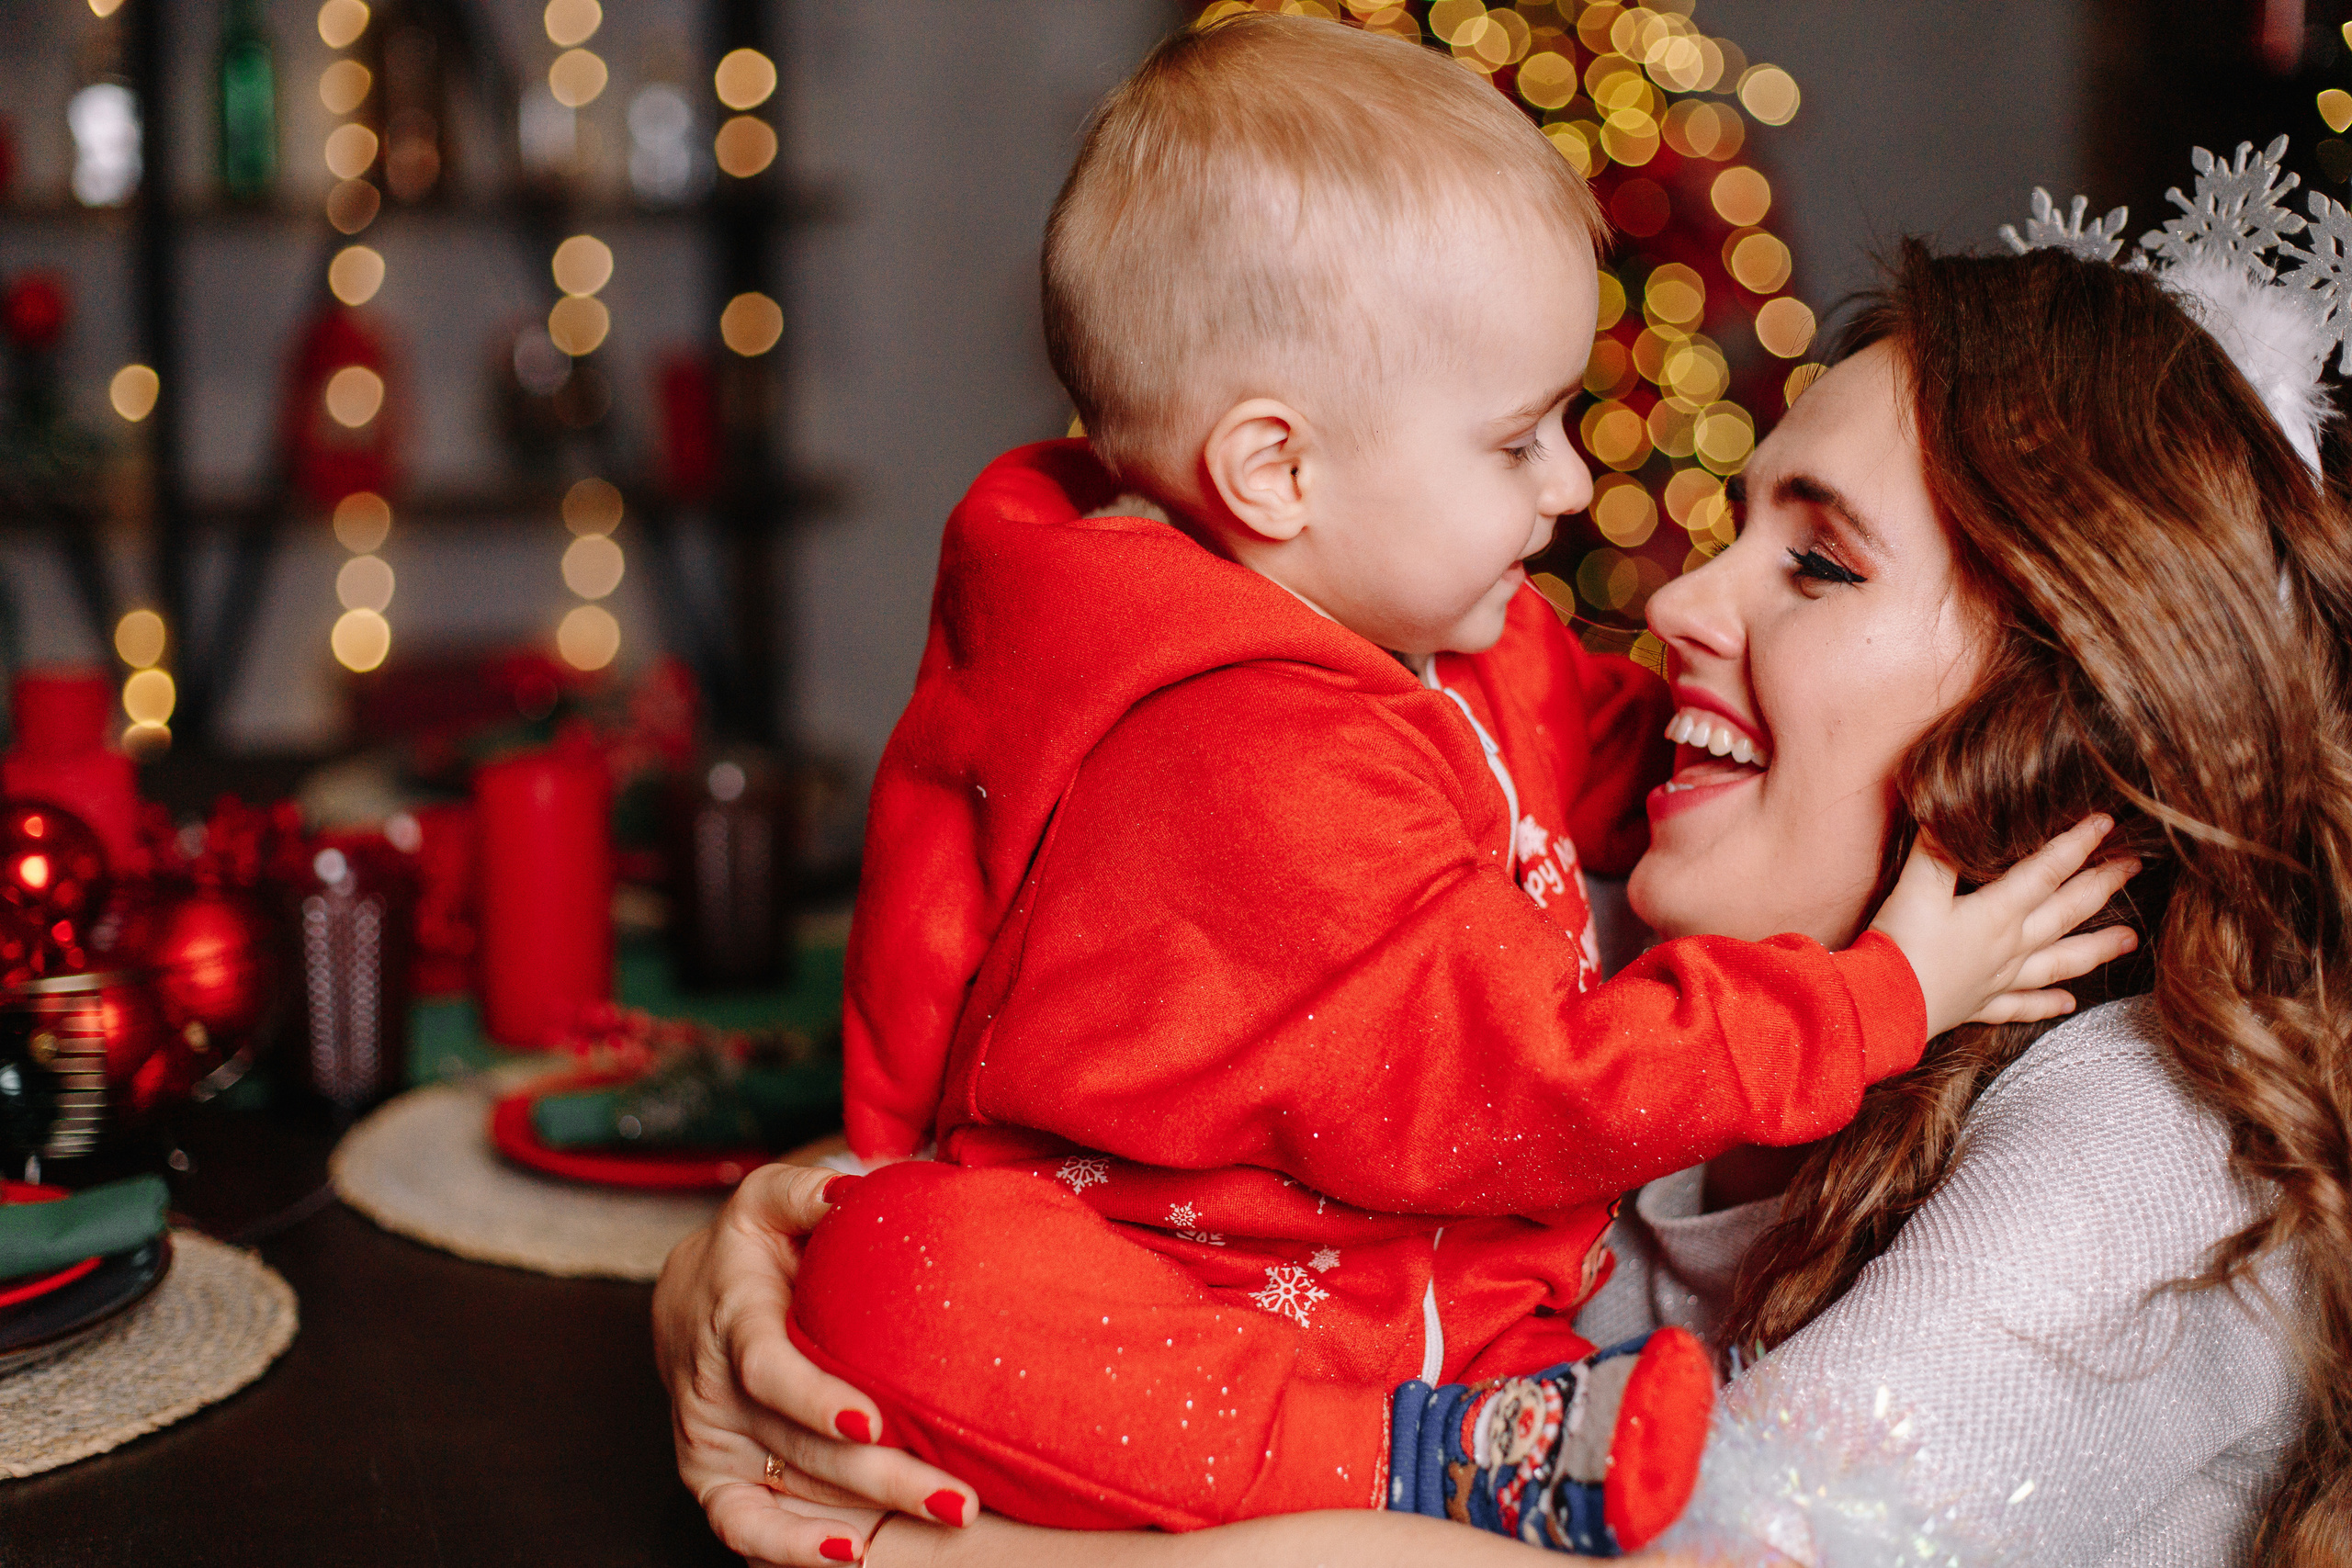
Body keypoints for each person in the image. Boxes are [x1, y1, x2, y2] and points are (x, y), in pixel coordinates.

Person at [656, 233, 2352, 1566]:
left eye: (1821, 564)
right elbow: (1161, 1164)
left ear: (2074, 710)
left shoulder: (2150, 1162)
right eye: (1736, 528)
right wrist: (771, 1259)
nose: (1681, 599)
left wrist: (916, 1554)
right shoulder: (1600, 951)